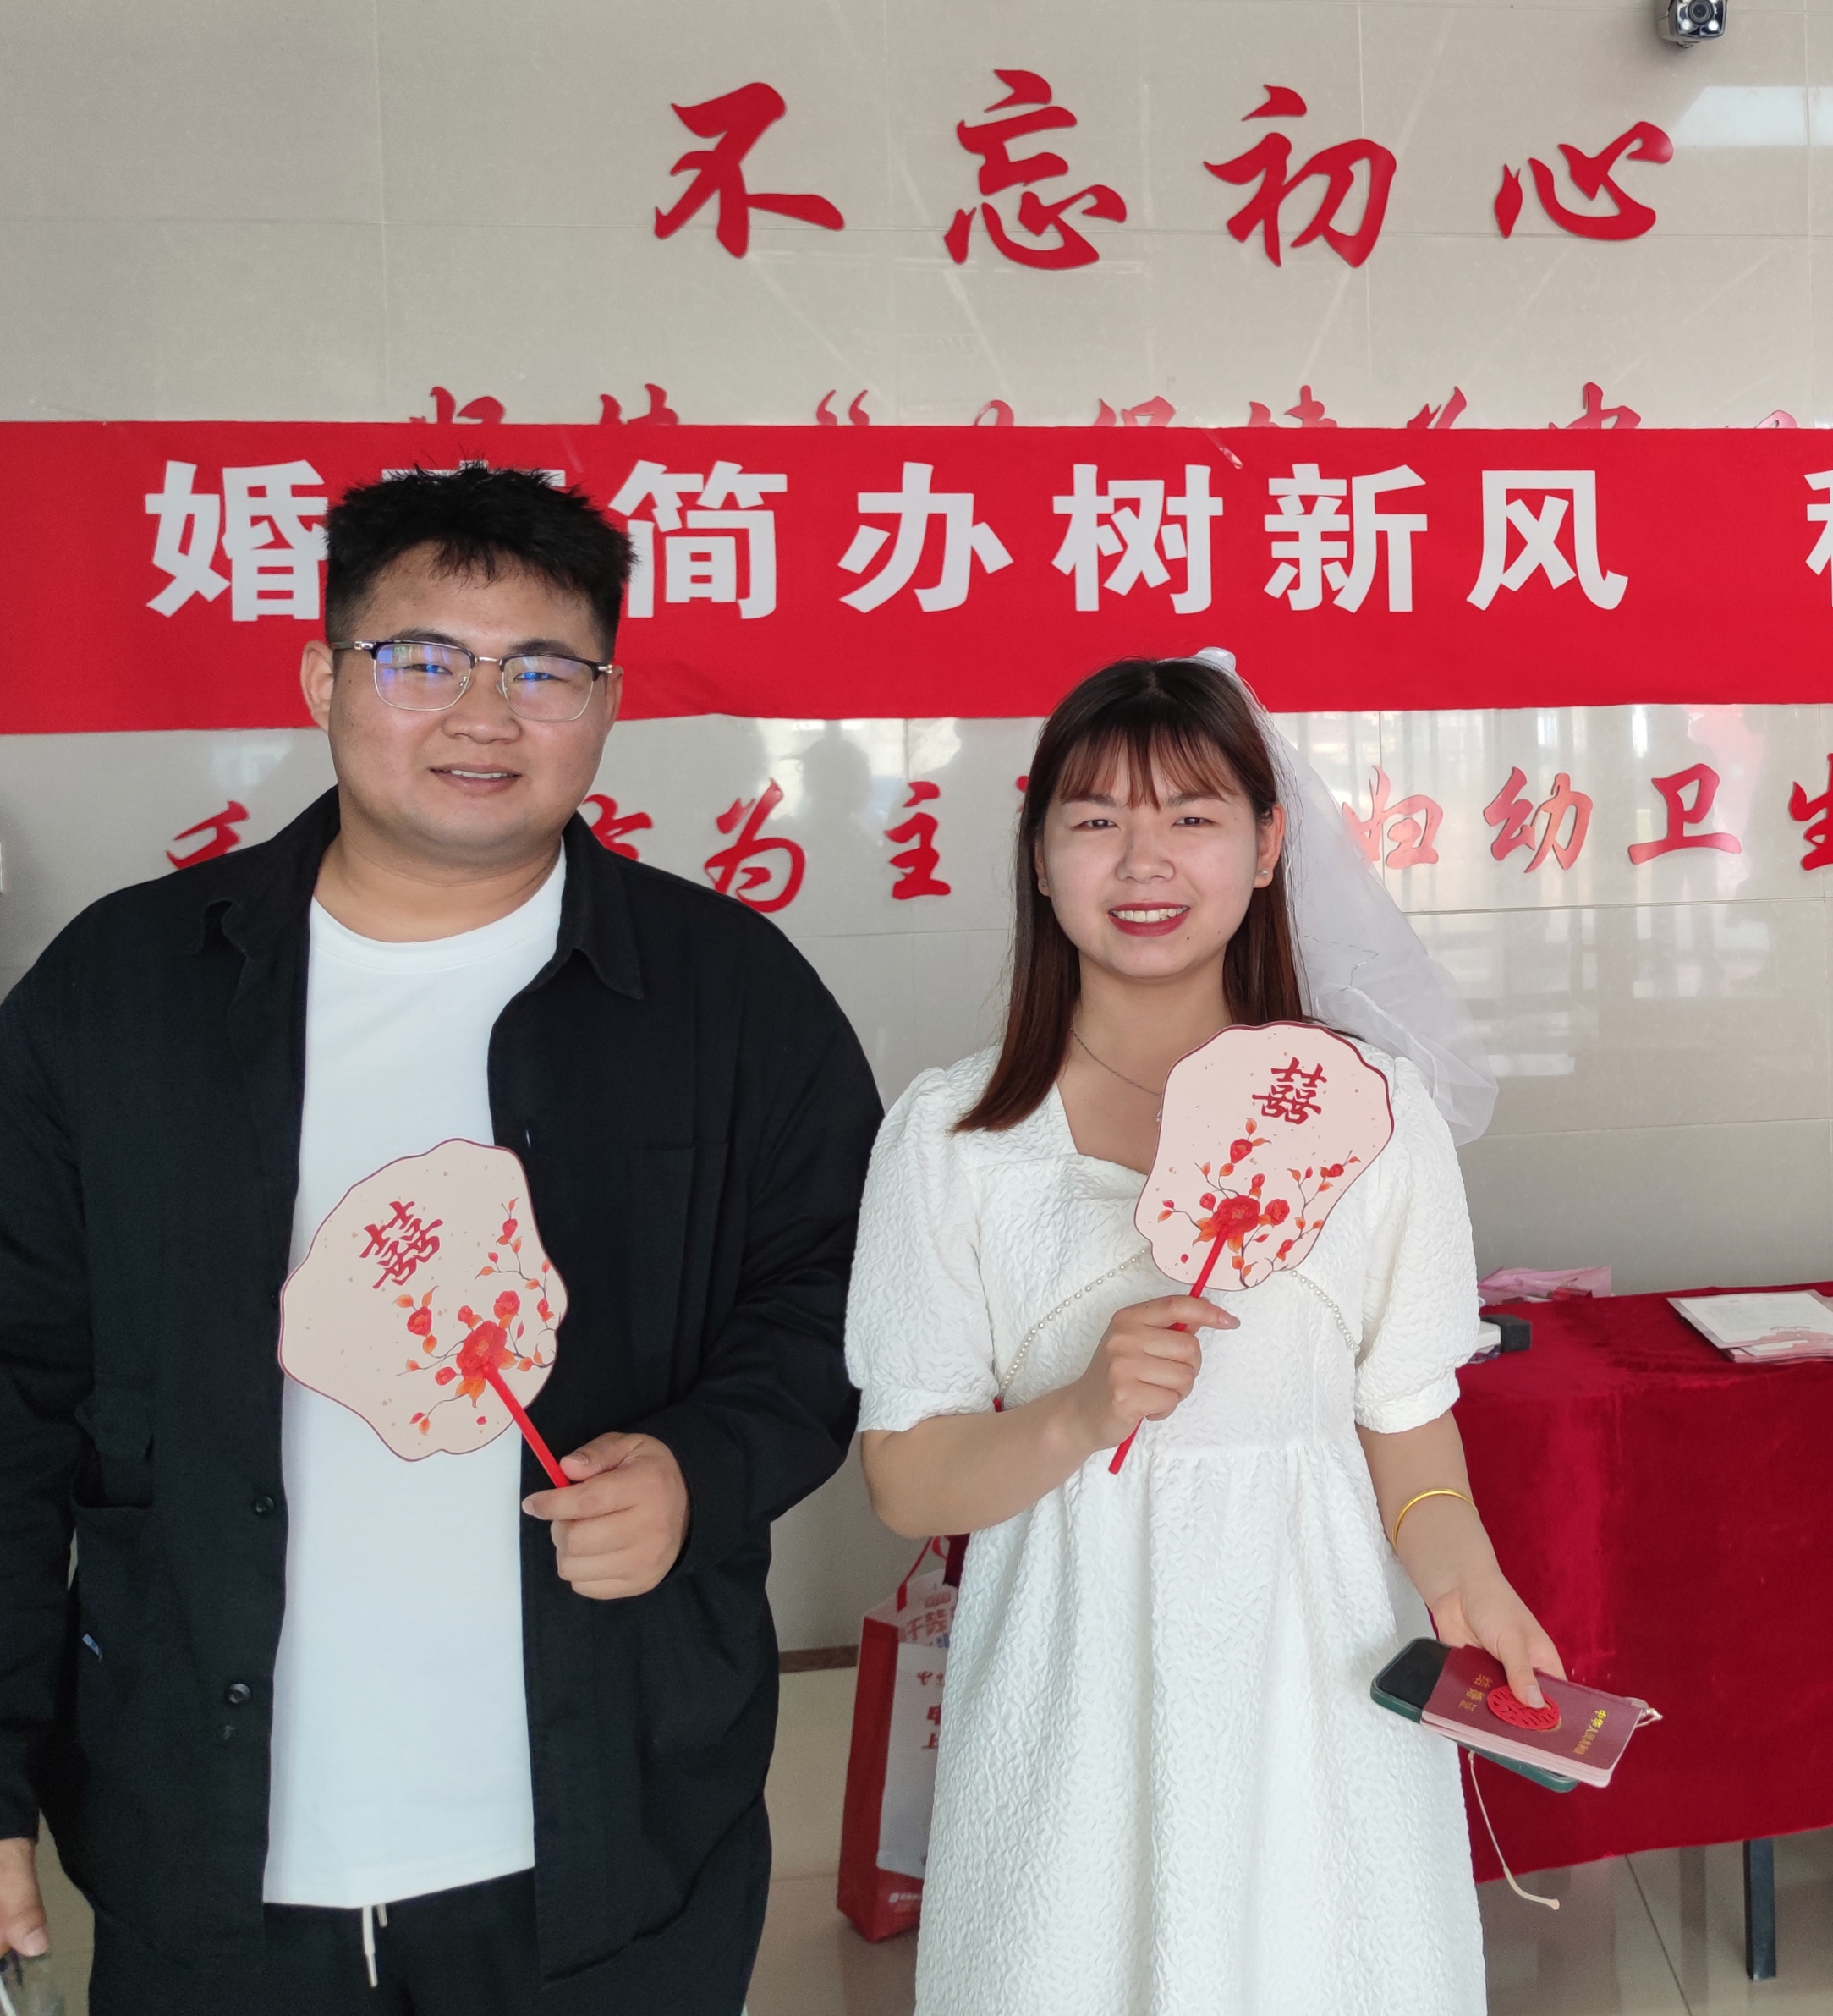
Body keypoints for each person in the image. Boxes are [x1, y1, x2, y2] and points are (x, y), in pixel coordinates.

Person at [0, 465, 881, 2014]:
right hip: (208, 1841)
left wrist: (701, 1465)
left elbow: (837, 1294)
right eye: (423, 660)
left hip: (608, 1844)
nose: (484, 715)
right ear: (323, 679)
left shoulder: (728, 997)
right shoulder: (122, 991)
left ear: (608, 703)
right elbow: (11, 1391)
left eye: (542, 669)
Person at [846, 654, 1561, 2016]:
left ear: (1268, 845)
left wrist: (1467, 1576)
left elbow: (1409, 1432)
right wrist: (1078, 1414)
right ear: (1040, 855)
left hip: (1319, 1672)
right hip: (1069, 1684)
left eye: (1192, 815)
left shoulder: (1375, 1117)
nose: (1144, 860)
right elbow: (904, 1478)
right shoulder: (952, 1137)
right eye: (1095, 818)